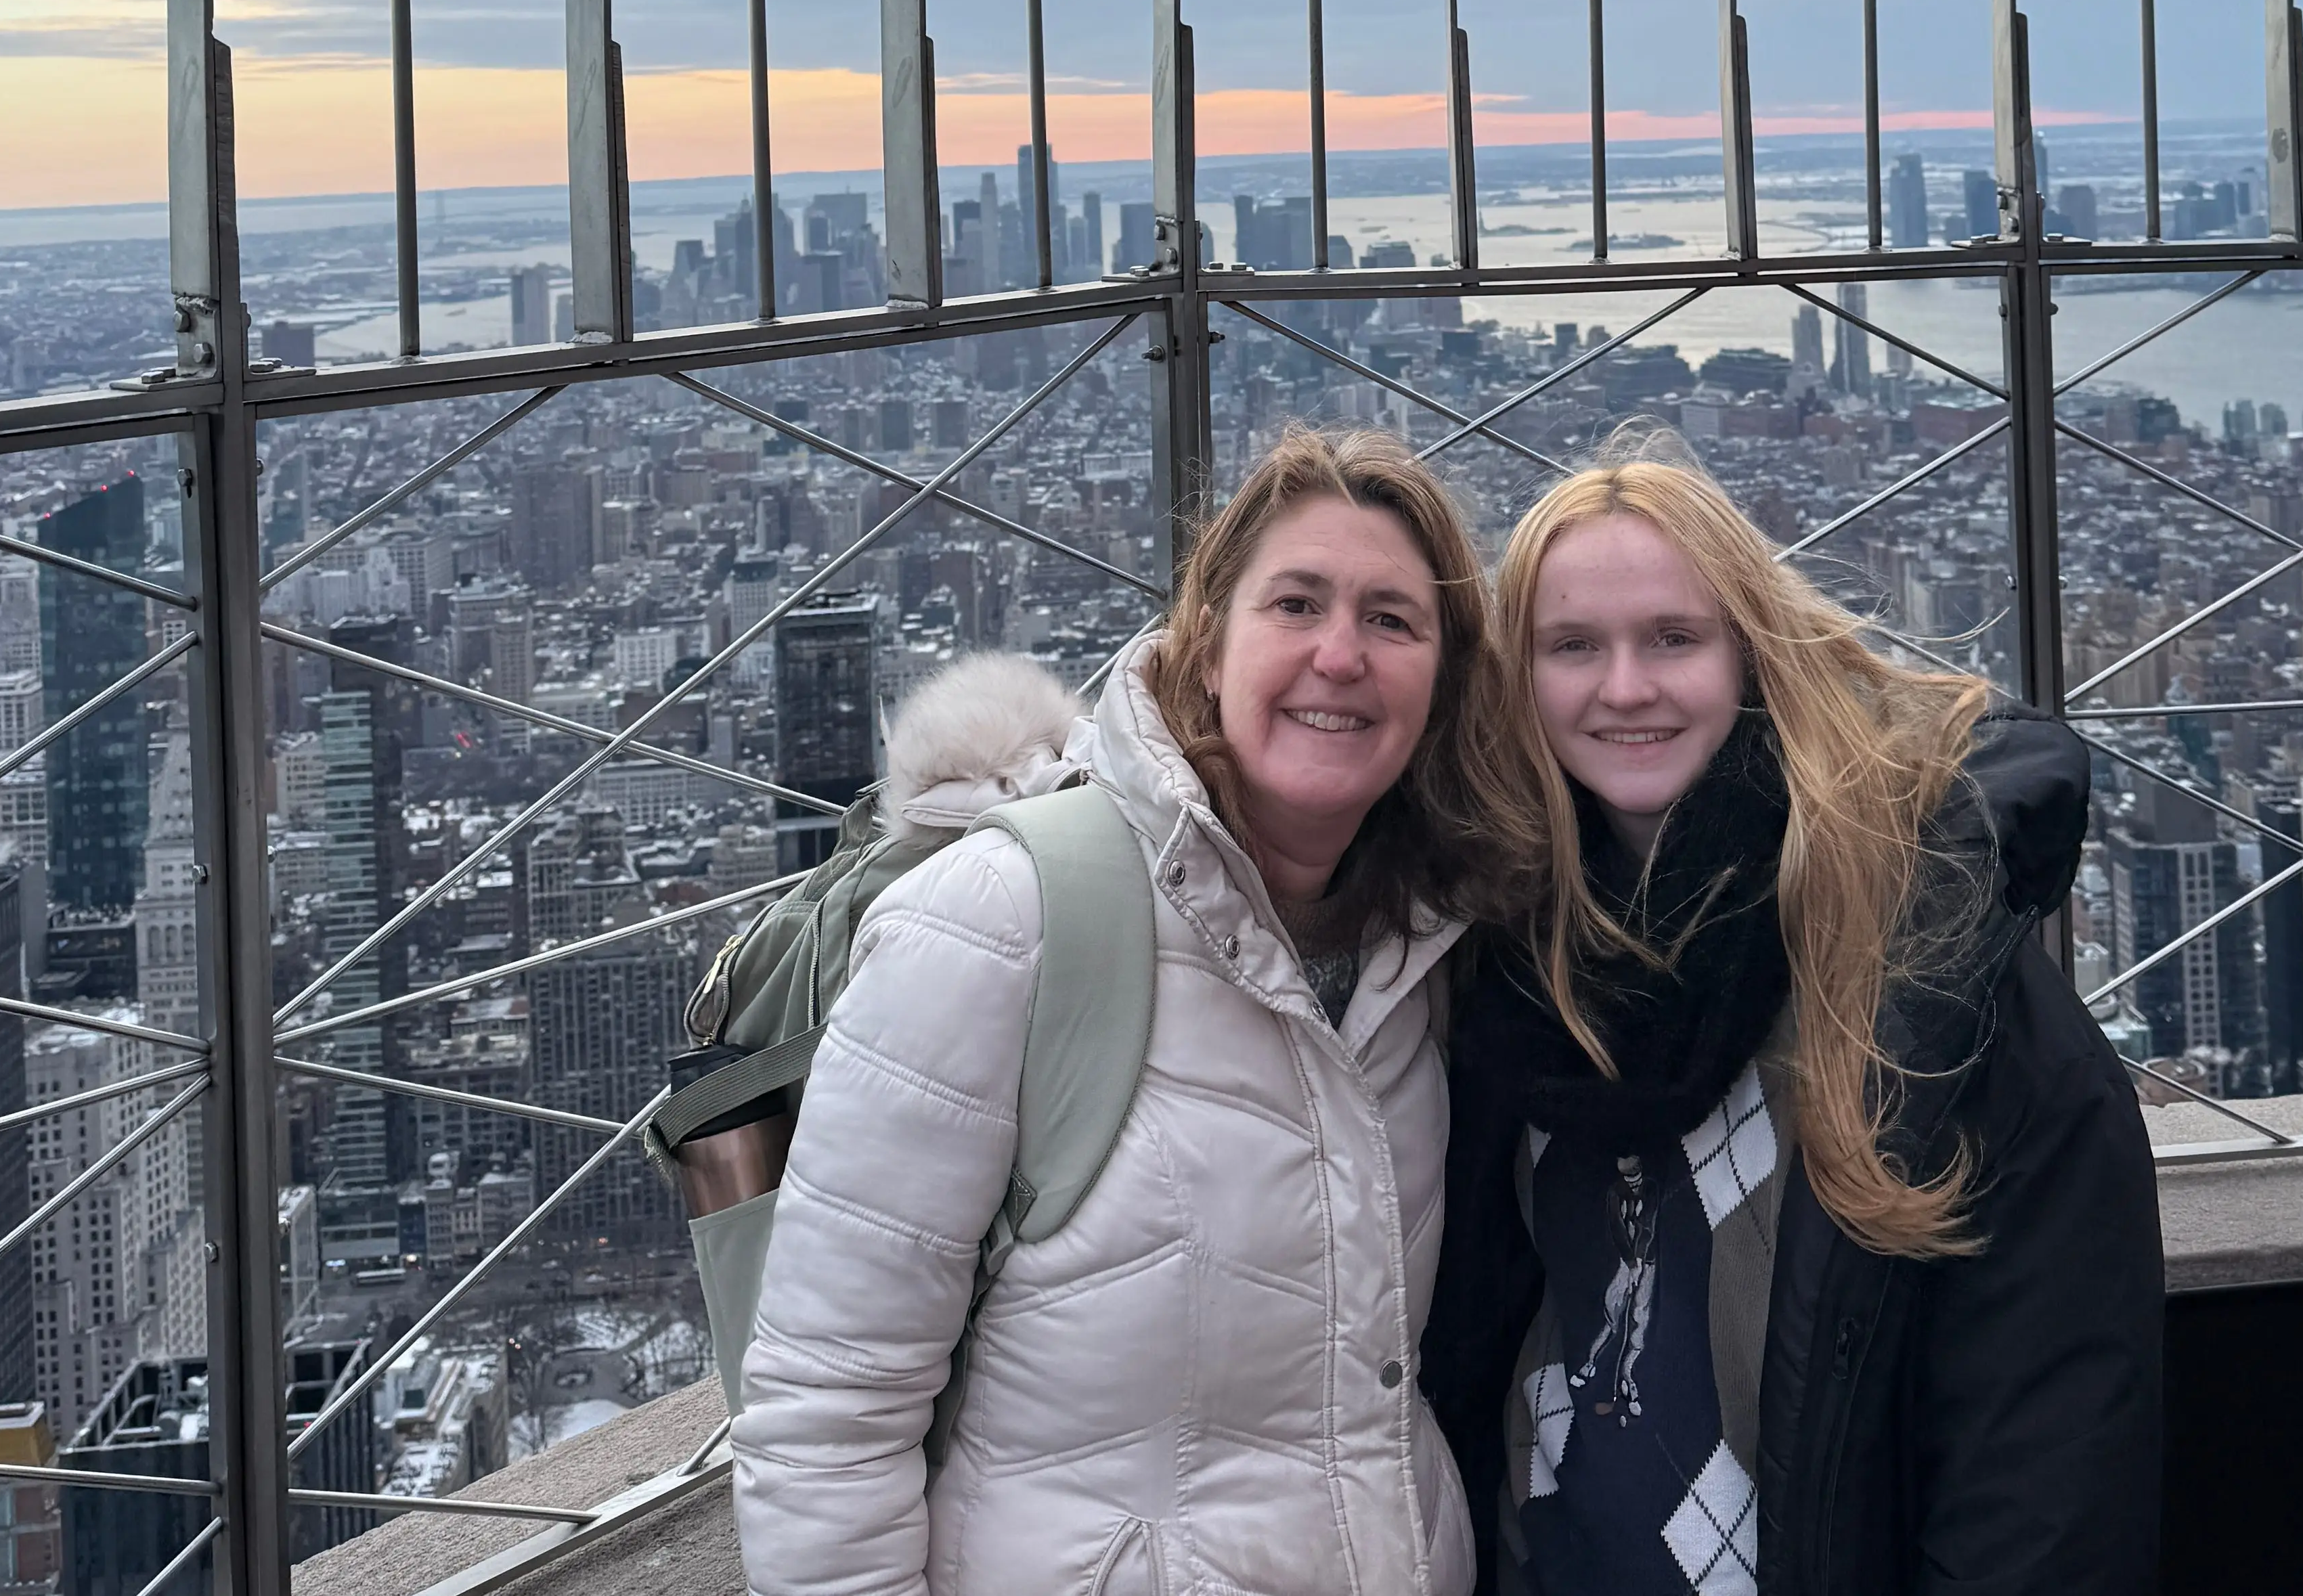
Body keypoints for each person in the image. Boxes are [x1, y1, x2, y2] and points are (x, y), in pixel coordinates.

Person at [735, 428, 1525, 1596]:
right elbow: (825, 1415)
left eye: (1394, 621)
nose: (1340, 656)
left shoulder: (1433, 946)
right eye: (1296, 604)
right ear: (1206, 647)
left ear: (1443, 684)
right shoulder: (1004, 917)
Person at [1422, 452, 2162, 1596]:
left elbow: (2046, 1459)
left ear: (1753, 657)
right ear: (1515, 682)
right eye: (1573, 647)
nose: (1625, 688)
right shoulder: (1509, 970)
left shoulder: (1926, 970)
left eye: (1675, 638)